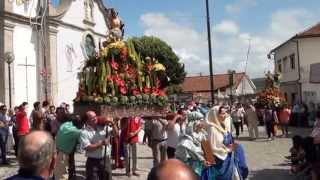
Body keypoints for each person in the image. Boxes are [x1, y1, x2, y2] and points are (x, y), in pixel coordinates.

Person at [207, 106, 248, 180]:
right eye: (222, 113)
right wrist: (227, 149)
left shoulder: (222, 124)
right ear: (215, 115)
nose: (225, 115)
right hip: (221, 161)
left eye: (225, 113)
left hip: (230, 157)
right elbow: (213, 147)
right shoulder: (212, 129)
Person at [80, 111, 115, 180]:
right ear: (87, 121)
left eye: (95, 116)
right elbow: (87, 147)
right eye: (92, 118)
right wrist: (101, 143)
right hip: (92, 161)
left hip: (105, 159)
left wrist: (112, 123)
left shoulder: (103, 127)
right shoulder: (84, 132)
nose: (95, 118)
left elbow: (116, 134)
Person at [54, 114, 83, 180]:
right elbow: (82, 141)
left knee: (57, 172)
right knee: (62, 175)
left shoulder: (65, 124)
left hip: (57, 151)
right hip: (63, 154)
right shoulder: (76, 131)